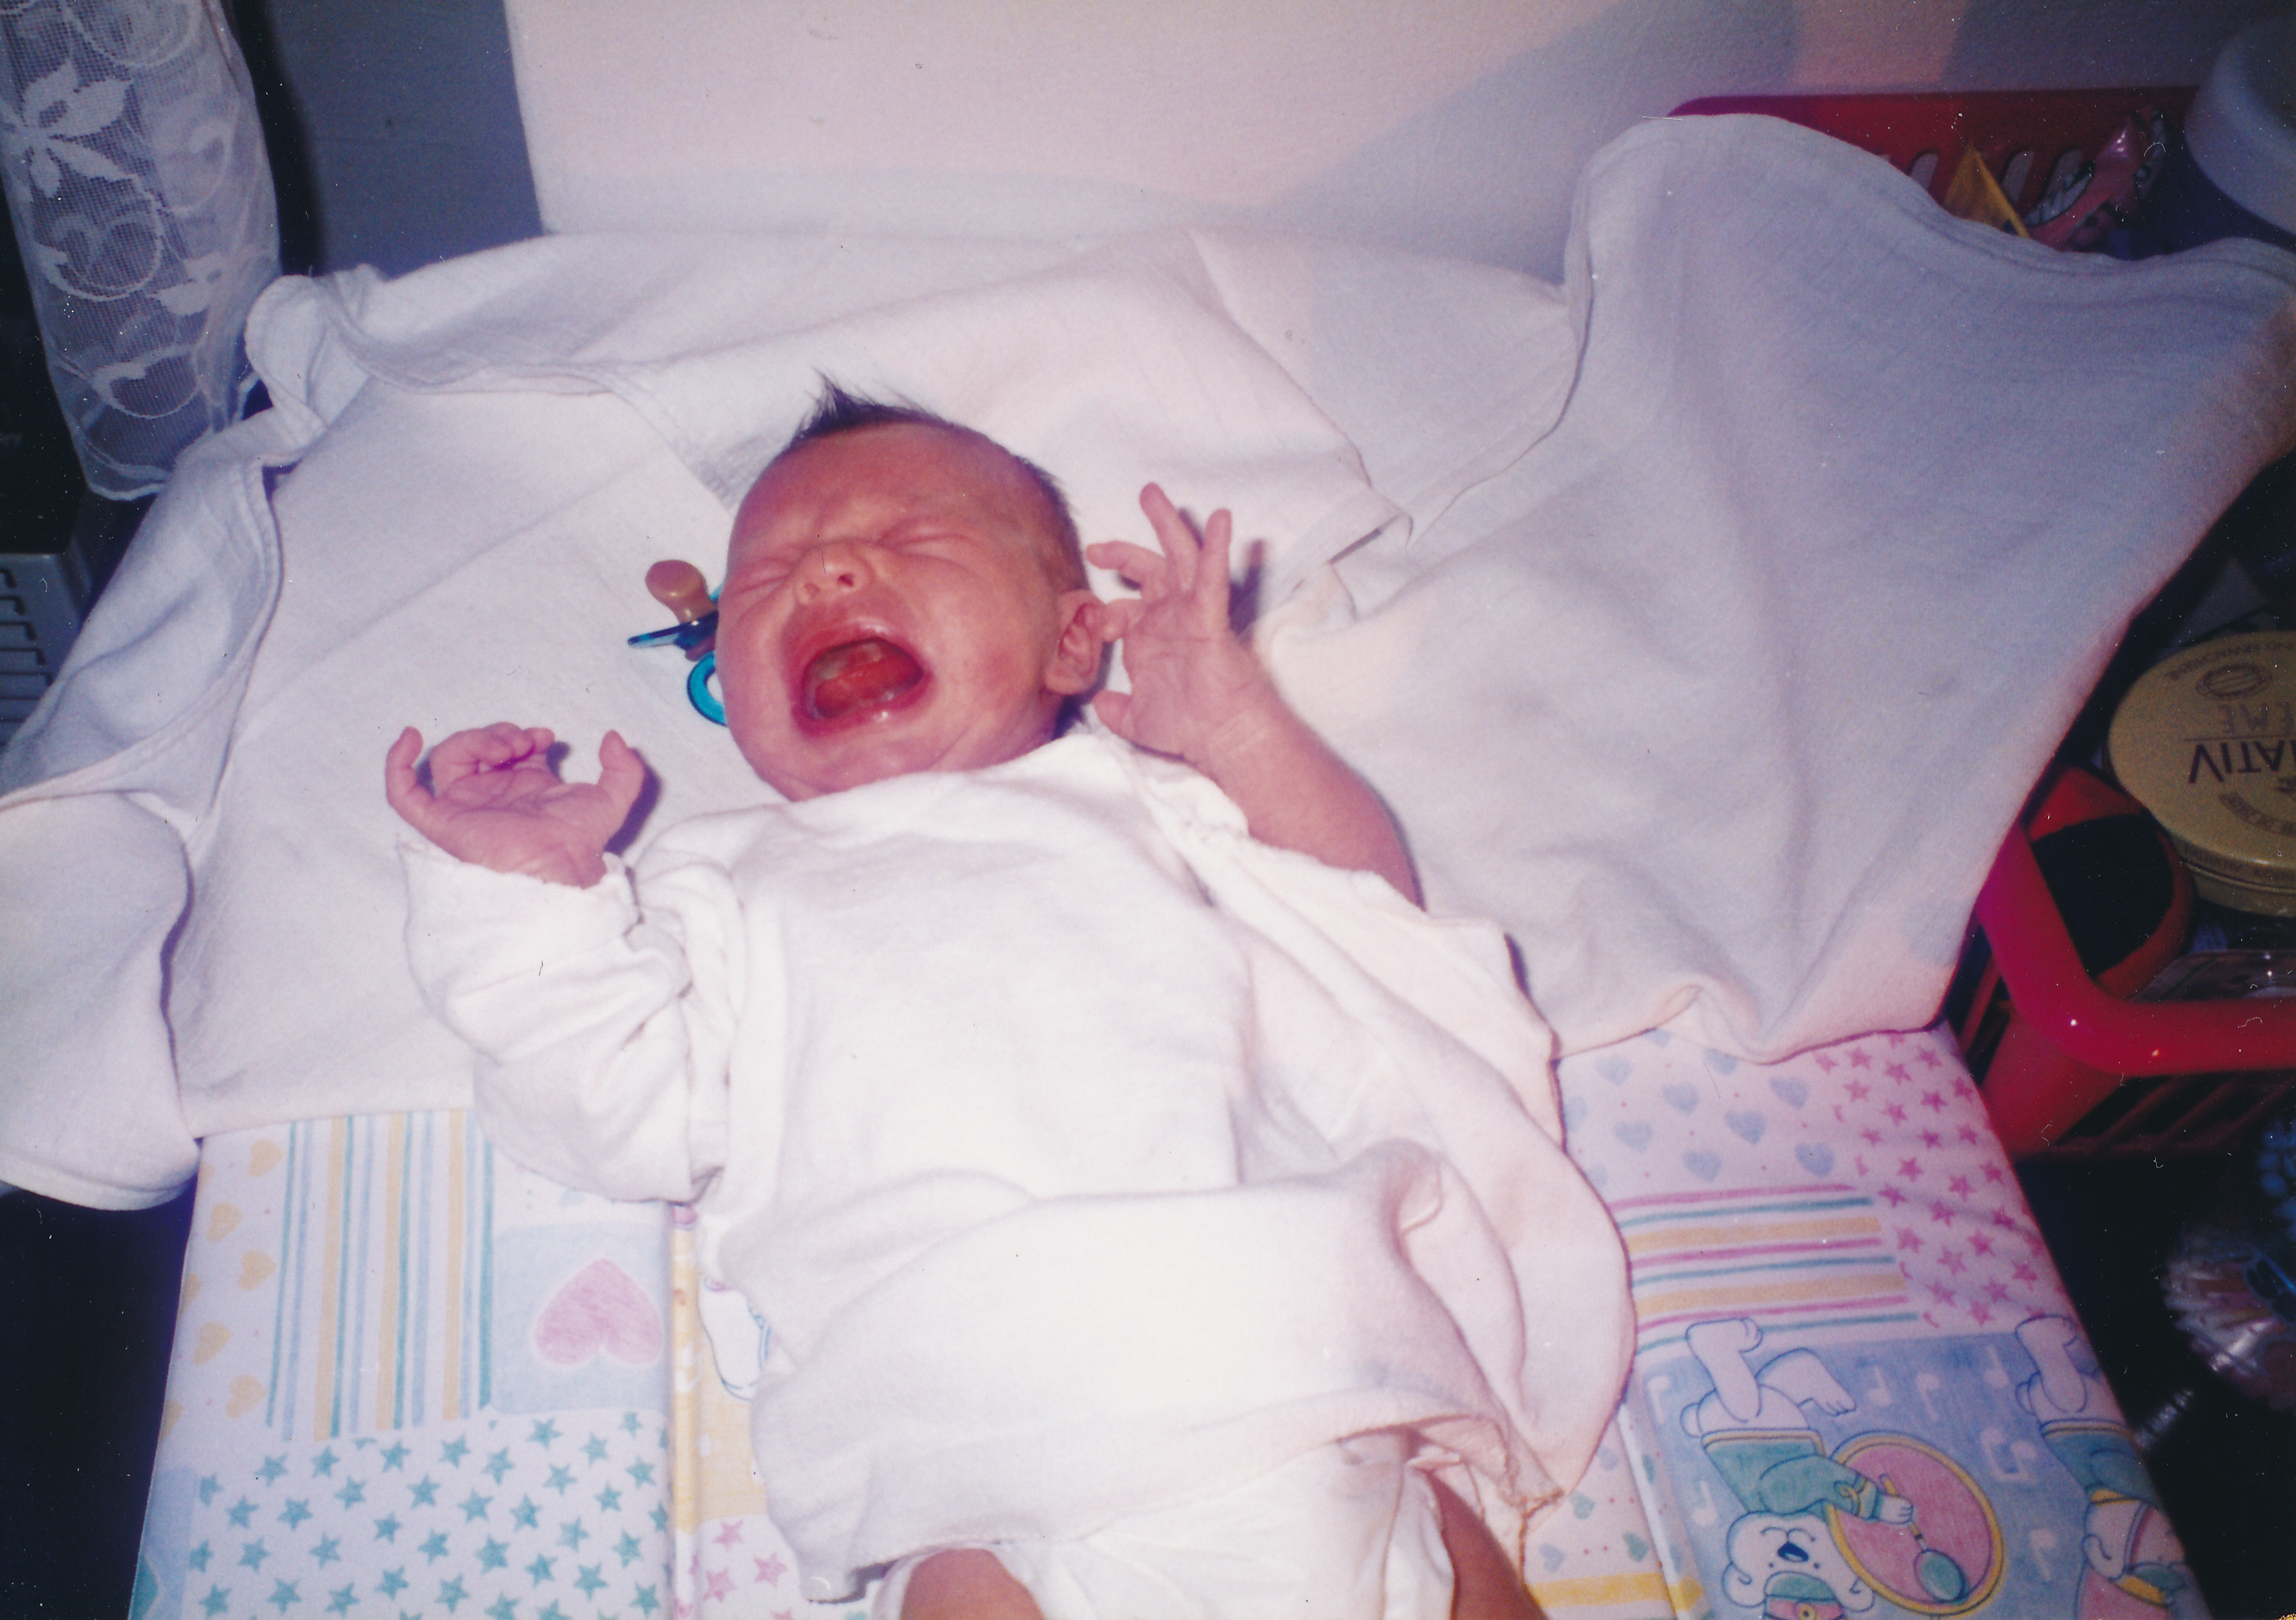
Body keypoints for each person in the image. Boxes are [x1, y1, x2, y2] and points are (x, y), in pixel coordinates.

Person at [386, 388, 1625, 1619]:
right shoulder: (716, 885)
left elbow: (1363, 920)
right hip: (968, 1460)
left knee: (1451, 1559)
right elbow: (610, 1110)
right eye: (762, 581)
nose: (827, 575)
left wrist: (1236, 725)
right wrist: (529, 899)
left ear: (1075, 644)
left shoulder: (1139, 801)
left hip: (1299, 1377)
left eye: (913, 539)